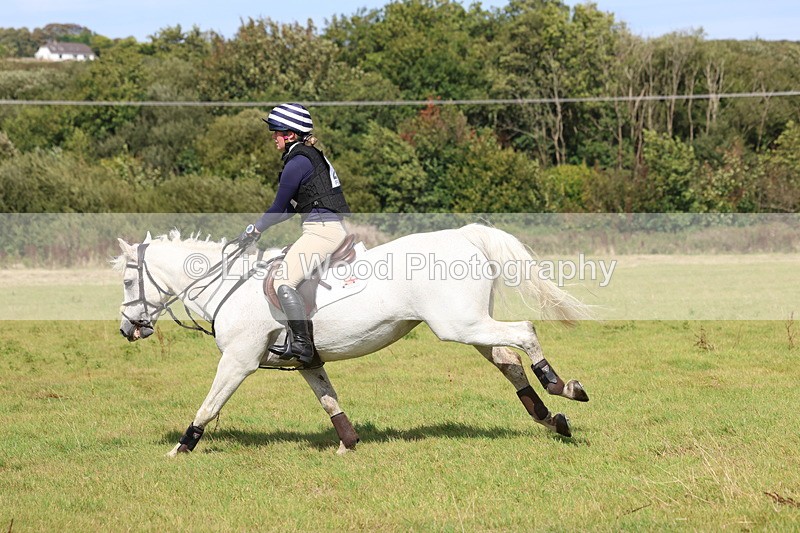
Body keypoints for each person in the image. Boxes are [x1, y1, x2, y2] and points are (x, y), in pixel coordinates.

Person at [240, 103, 350, 366]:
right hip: (325, 226)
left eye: (276, 132)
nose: (273, 137)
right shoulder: (309, 157)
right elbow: (291, 209)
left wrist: (253, 229)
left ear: (289, 134)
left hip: (322, 231)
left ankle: (302, 344)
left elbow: (278, 207)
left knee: (283, 281)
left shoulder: (297, 162)